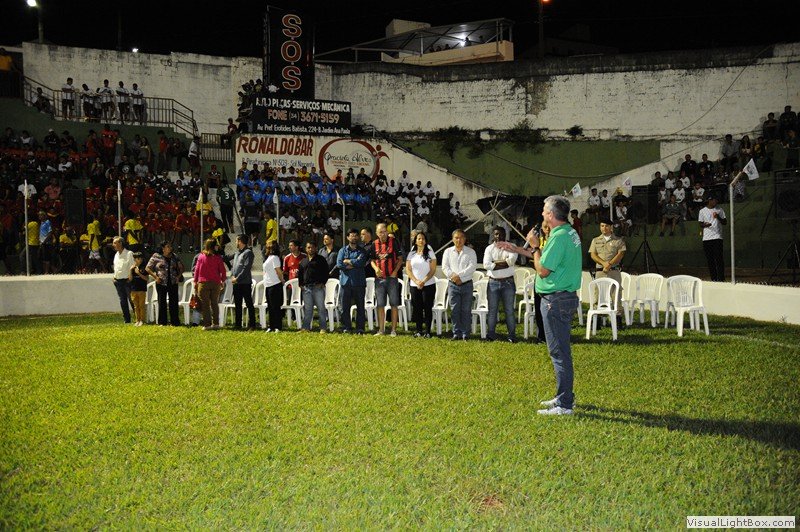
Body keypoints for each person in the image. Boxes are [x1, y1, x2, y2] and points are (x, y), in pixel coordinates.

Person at [498, 195, 582, 415]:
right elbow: (547, 258)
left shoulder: (559, 237)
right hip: (562, 297)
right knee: (561, 351)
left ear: (551, 215)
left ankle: (564, 404)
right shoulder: (568, 232)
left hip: (556, 300)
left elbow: (543, 269)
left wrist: (534, 247)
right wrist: (518, 249)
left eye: (545, 210)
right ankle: (564, 396)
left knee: (559, 353)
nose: (542, 213)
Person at [482, 226, 518, 342]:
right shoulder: (489, 249)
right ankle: (491, 335)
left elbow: (510, 262)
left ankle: (511, 336)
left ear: (505, 235)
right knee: (492, 310)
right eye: (496, 234)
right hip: (493, 283)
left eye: (501, 234)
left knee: (509, 311)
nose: (499, 236)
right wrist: (504, 263)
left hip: (508, 283)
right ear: (493, 235)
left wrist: (494, 264)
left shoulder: (512, 247)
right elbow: (486, 265)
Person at [441, 228, 477, 340]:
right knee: (454, 310)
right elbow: (445, 267)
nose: (459, 240)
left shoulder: (470, 252)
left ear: (465, 239)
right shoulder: (447, 252)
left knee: (466, 310)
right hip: (453, 285)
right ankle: (456, 333)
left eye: (461, 237)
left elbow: (472, 267)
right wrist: (454, 277)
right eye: (456, 238)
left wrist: (459, 276)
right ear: (452, 239)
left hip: (466, 284)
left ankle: (466, 333)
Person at [589, 217, 626, 324]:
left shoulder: (618, 240)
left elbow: (621, 254)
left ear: (611, 227)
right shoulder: (595, 240)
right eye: (602, 226)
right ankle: (597, 319)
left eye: (606, 226)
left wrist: (609, 264)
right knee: (598, 293)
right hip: (600, 271)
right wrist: (604, 263)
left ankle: (617, 320)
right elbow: (593, 255)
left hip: (613, 271)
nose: (604, 228)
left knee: (616, 294)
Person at [371, 223, 404, 336]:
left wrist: (395, 272)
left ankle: (393, 330)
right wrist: (376, 269)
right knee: (380, 305)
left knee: (394, 304)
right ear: (377, 233)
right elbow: (372, 260)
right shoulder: (374, 244)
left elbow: (400, 259)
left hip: (392, 279)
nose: (383, 234)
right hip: (379, 280)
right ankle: (381, 330)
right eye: (381, 232)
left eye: (385, 231)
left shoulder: (394, 242)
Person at [406, 231, 437, 338]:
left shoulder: (430, 253)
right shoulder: (411, 254)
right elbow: (408, 269)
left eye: (423, 238)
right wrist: (416, 281)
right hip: (414, 285)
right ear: (415, 241)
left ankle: (427, 331)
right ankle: (418, 330)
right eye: (419, 238)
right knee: (417, 308)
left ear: (426, 241)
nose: (421, 240)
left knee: (427, 308)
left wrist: (423, 281)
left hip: (428, 285)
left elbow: (433, 269)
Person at [146, 241, 185, 326]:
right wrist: (155, 277)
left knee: (174, 302)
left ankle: (175, 322)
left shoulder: (174, 256)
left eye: (170, 246)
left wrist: (178, 276)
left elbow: (182, 267)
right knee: (162, 302)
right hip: (161, 282)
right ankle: (162, 322)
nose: (170, 248)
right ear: (163, 248)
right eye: (168, 246)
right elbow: (148, 268)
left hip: (173, 282)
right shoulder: (156, 256)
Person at [337, 228, 368, 334]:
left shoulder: (362, 251)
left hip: (359, 282)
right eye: (351, 235)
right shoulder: (342, 250)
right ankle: (346, 327)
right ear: (347, 237)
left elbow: (361, 263)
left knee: (360, 306)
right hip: (345, 283)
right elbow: (339, 264)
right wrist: (354, 264)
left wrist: (348, 261)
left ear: (358, 237)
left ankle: (360, 328)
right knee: (345, 307)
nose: (354, 237)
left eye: (355, 235)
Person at [193, 238, 226, 330]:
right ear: (213, 246)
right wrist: (223, 280)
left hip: (203, 283)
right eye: (216, 245)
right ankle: (216, 323)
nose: (217, 247)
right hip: (215, 283)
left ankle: (207, 324)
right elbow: (223, 270)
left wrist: (195, 281)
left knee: (205, 304)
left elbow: (197, 270)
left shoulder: (201, 256)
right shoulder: (218, 257)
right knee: (214, 303)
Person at [298, 241, 329, 332]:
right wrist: (301, 285)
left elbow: (326, 272)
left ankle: (323, 328)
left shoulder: (321, 259)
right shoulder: (303, 261)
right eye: (308, 247)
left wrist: (322, 283)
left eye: (312, 247)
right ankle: (305, 328)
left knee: (321, 308)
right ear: (306, 249)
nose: (310, 249)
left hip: (318, 287)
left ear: (316, 248)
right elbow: (300, 274)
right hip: (306, 288)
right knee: (308, 309)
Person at [230, 234, 257, 330]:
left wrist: (237, 279)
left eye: (236, 240)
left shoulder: (248, 253)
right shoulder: (237, 253)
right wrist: (232, 275)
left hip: (245, 283)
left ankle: (252, 324)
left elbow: (246, 268)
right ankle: (238, 324)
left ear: (240, 241)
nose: (235, 242)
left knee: (249, 303)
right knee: (237, 304)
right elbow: (234, 266)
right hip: (236, 283)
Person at [698, 196, 727, 282]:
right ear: (710, 200)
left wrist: (718, 217)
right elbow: (700, 224)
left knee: (719, 258)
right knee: (710, 259)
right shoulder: (702, 211)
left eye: (716, 200)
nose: (716, 201)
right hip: (707, 239)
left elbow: (725, 222)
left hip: (717, 237)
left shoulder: (719, 210)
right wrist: (705, 225)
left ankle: (721, 278)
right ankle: (713, 278)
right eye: (714, 200)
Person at [111, 236, 135, 324]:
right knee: (123, 301)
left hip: (127, 281)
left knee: (132, 300)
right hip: (118, 281)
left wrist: (130, 277)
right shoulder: (116, 255)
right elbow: (116, 267)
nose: (113, 245)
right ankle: (127, 319)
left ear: (120, 243)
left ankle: (138, 318)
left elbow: (133, 266)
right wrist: (114, 277)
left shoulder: (129, 253)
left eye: (115, 243)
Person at [262, 241, 285, 332]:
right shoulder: (269, 258)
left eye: (268, 247)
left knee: (275, 306)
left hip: (275, 284)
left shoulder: (275, 258)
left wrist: (282, 280)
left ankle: (277, 326)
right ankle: (271, 326)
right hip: (268, 285)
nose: (266, 249)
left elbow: (278, 271)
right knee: (270, 307)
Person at [128, 251, 150, 326]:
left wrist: (139, 273)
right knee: (136, 306)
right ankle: (137, 320)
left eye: (141, 258)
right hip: (133, 289)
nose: (140, 260)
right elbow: (130, 279)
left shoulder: (144, 267)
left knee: (141, 306)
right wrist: (130, 270)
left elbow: (146, 279)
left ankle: (142, 320)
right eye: (138, 258)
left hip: (141, 289)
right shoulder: (132, 267)